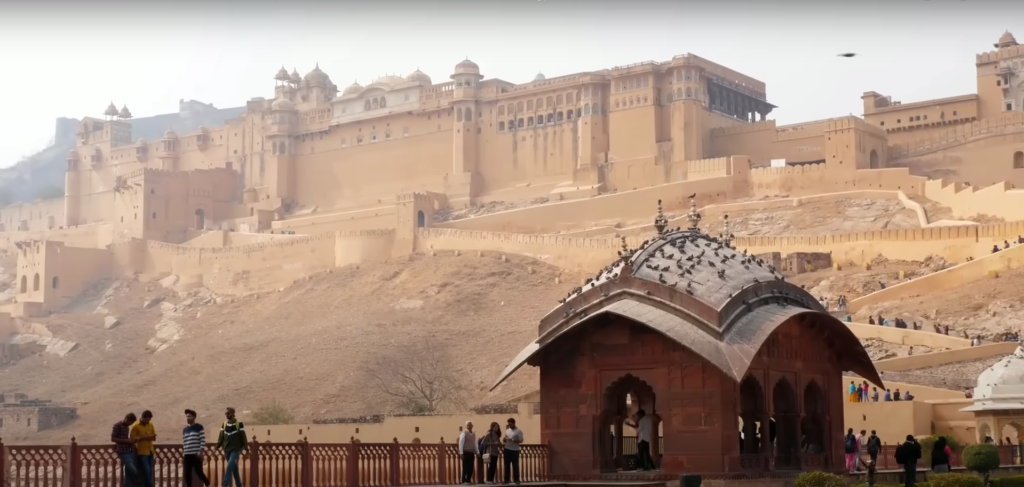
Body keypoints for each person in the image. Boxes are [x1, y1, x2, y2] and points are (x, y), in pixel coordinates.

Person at [217, 407, 247, 487]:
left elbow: (243, 437)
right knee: (233, 468)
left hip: (235, 449)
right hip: (226, 450)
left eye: (228, 413)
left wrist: (246, 449)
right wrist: (216, 447)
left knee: (230, 465)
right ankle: (239, 484)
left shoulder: (239, 423)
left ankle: (225, 483)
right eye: (226, 413)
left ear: (233, 413)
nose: (226, 414)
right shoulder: (224, 424)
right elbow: (221, 437)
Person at [183, 409, 210, 487]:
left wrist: (200, 451)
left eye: (189, 416)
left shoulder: (199, 427)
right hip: (187, 454)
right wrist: (184, 452)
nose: (187, 418)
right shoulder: (185, 429)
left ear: (194, 417)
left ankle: (208, 484)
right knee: (187, 474)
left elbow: (202, 440)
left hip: (196, 454)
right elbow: (184, 441)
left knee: (199, 472)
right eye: (187, 416)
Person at [131, 410, 157, 487]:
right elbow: (132, 439)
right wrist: (145, 437)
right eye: (147, 419)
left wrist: (152, 437)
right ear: (143, 417)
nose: (148, 421)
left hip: (150, 450)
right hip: (141, 451)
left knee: (150, 471)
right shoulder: (135, 426)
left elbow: (153, 437)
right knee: (146, 470)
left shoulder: (150, 425)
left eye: (149, 420)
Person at [112, 413, 140, 487]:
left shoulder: (127, 427)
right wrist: (127, 441)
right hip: (122, 451)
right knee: (132, 468)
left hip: (129, 450)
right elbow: (113, 438)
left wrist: (131, 441)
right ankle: (137, 476)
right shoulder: (118, 425)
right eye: (130, 422)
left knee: (128, 472)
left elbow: (125, 438)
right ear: (126, 419)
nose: (130, 424)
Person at [503, 418, 523, 485]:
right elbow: (505, 439)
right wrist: (504, 439)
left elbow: (521, 440)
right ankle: (506, 480)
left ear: (514, 423)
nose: (509, 425)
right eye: (508, 424)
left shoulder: (518, 431)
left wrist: (513, 440)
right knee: (506, 465)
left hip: (514, 450)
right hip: (507, 449)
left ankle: (516, 480)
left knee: (515, 465)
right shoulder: (507, 430)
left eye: (510, 424)